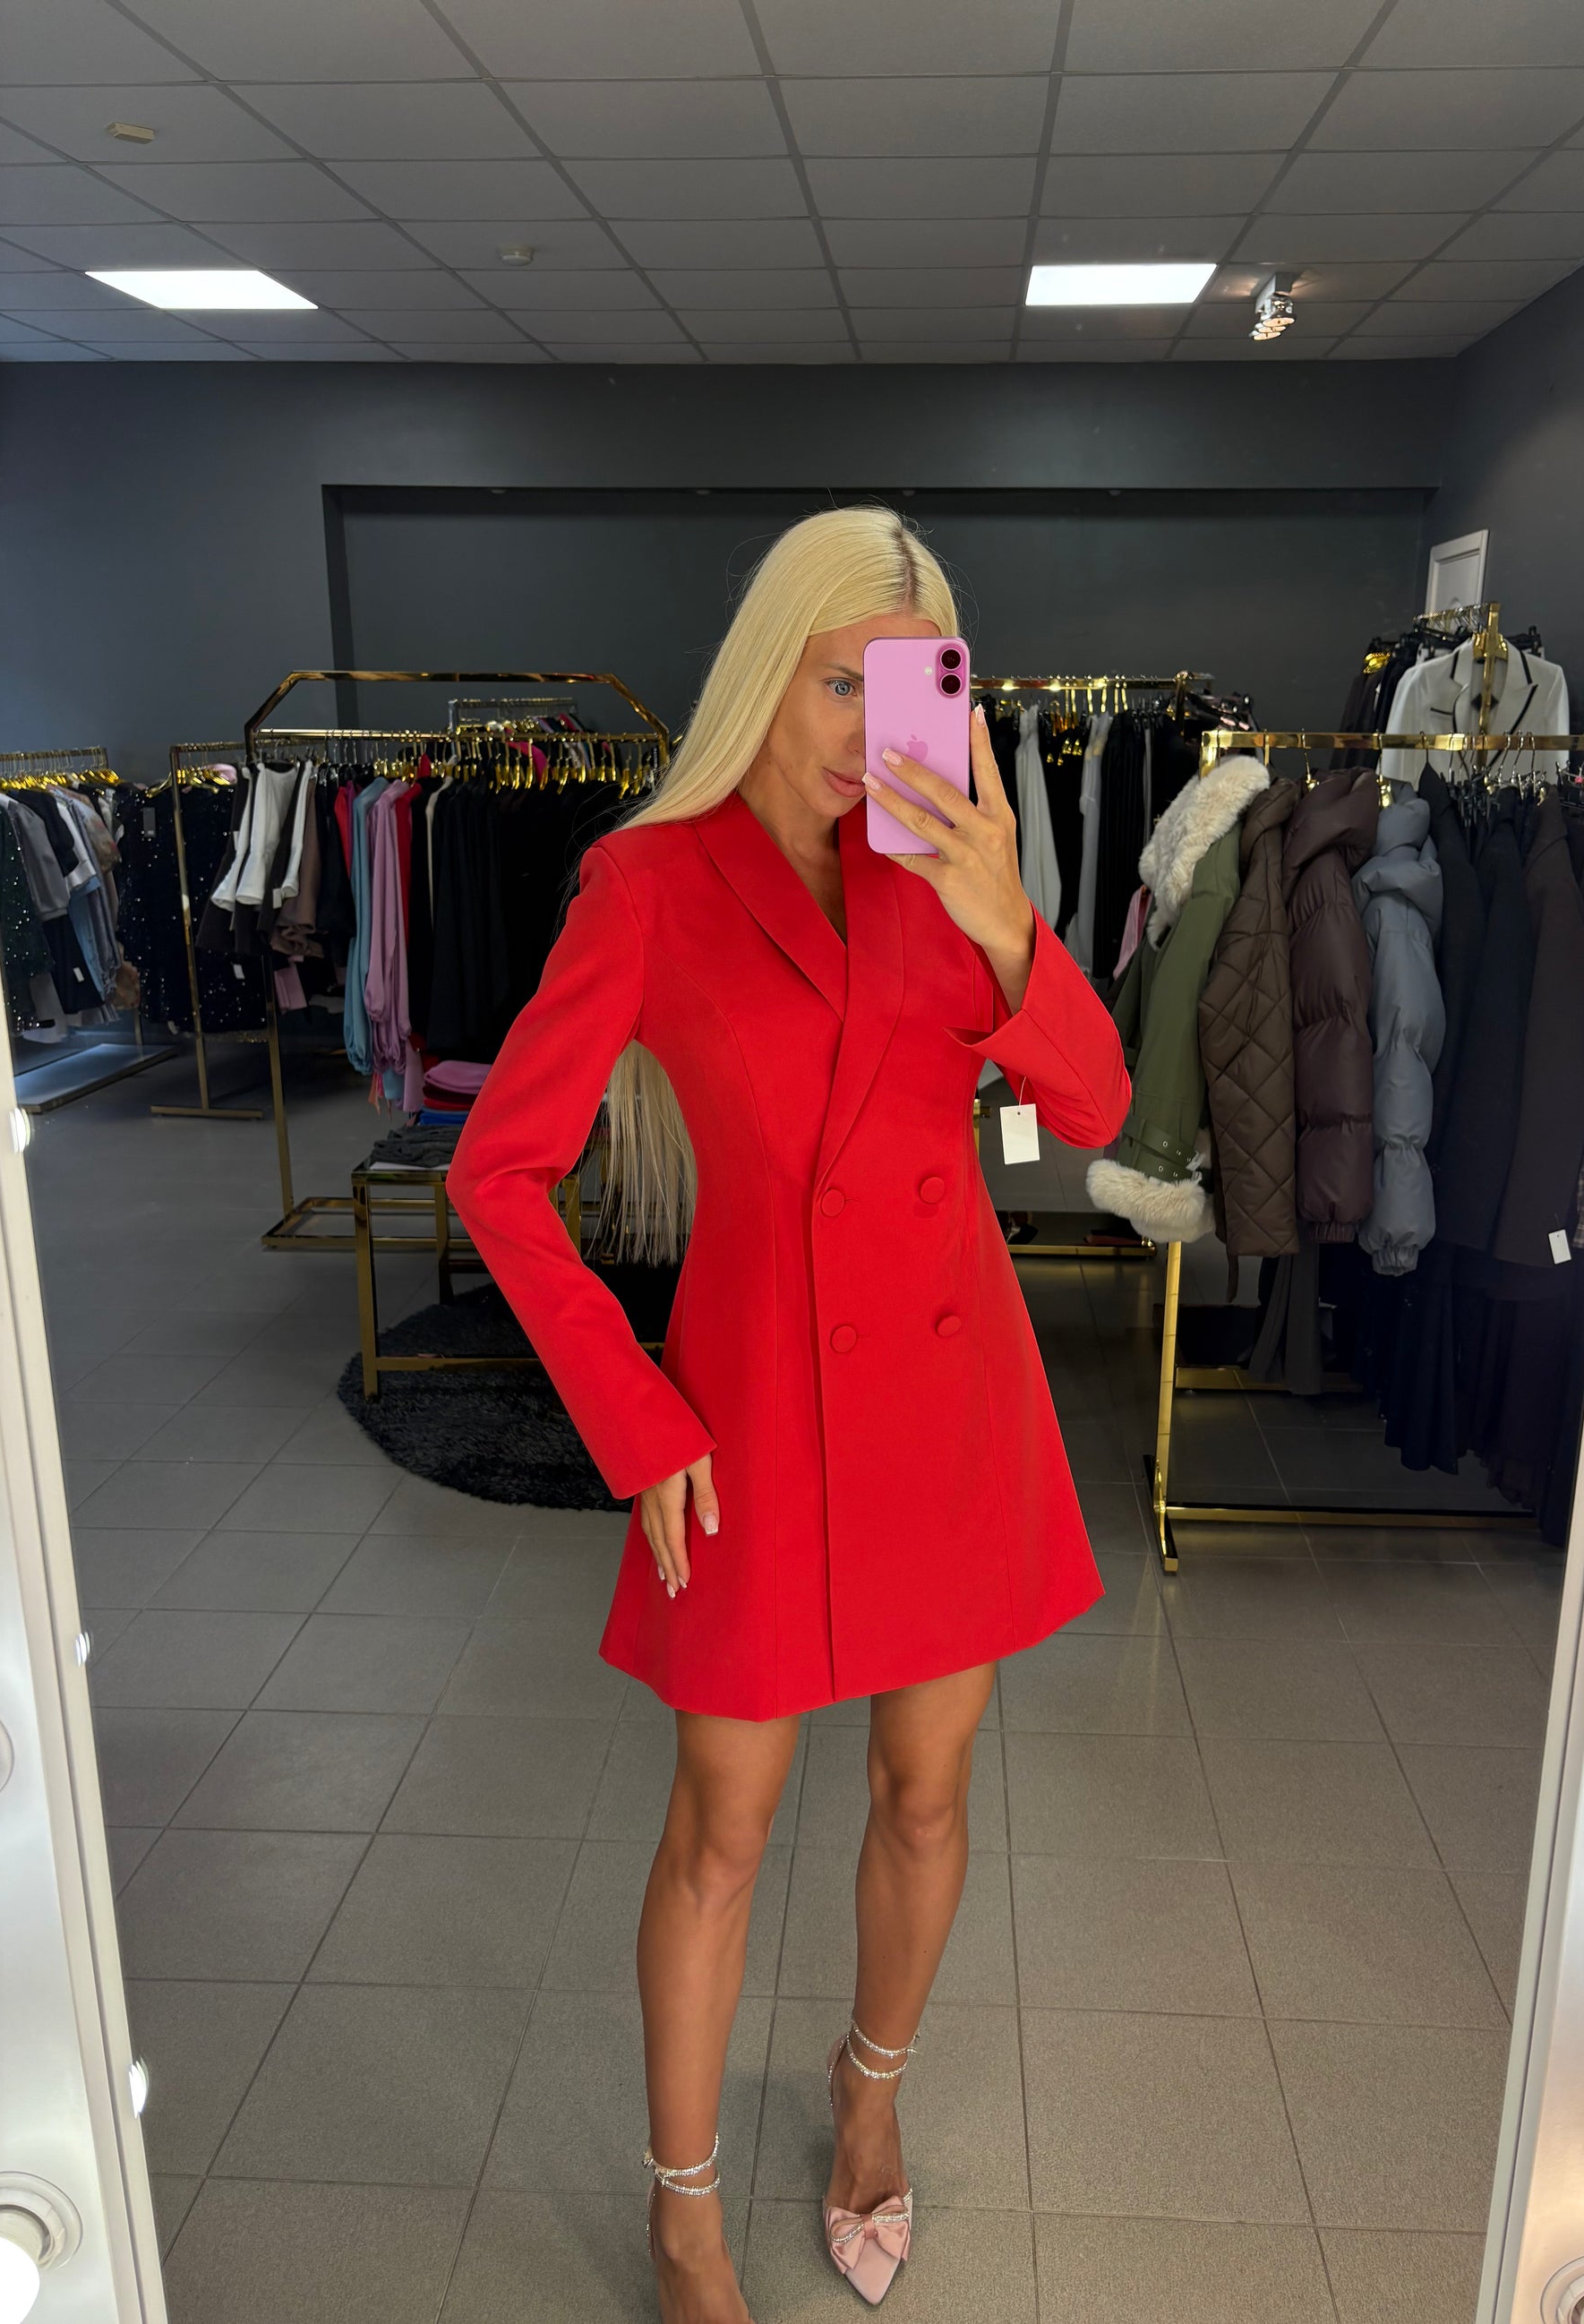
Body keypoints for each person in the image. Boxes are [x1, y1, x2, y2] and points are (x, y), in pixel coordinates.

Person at [448, 506, 1130, 2320]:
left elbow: (1089, 1106)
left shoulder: (944, 868)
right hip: (747, 1407)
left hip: (949, 1392)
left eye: (910, 684)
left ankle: (866, 2094)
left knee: (927, 1792)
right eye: (839, 679)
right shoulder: (648, 882)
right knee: (722, 1828)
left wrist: (1008, 924)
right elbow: (498, 1172)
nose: (868, 724)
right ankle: (682, 2214)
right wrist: (635, 1413)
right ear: (769, 669)